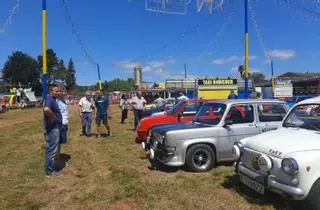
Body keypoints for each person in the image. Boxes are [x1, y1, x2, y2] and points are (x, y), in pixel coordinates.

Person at [43, 84, 62, 177]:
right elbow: (46, 109)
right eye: (56, 91)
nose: (59, 93)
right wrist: (53, 117)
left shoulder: (52, 99)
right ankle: (49, 171)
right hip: (52, 129)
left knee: (50, 149)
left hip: (53, 128)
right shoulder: (50, 99)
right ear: (51, 92)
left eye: (59, 91)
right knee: (52, 150)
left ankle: (48, 169)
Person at [56, 88, 69, 165]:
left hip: (65, 123)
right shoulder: (57, 102)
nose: (64, 94)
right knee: (58, 141)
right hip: (60, 124)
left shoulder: (64, 101)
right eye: (63, 92)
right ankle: (56, 158)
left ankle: (58, 156)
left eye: (65, 92)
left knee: (60, 141)